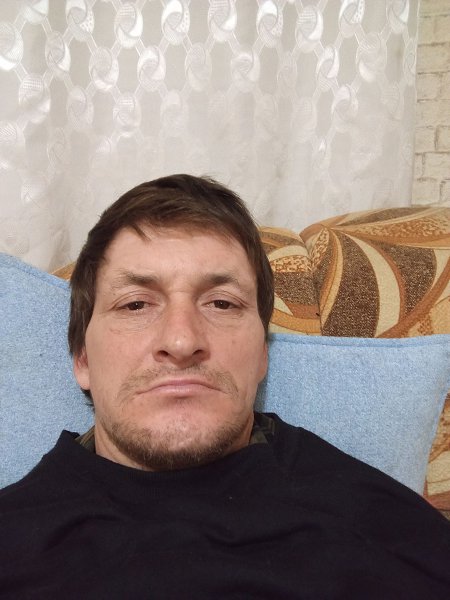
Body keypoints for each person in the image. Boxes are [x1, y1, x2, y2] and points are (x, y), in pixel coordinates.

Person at [0, 174, 449, 599]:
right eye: (135, 304)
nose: (182, 341)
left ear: (262, 355)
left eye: (221, 303)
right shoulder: (16, 536)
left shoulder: (376, 522)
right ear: (82, 359)